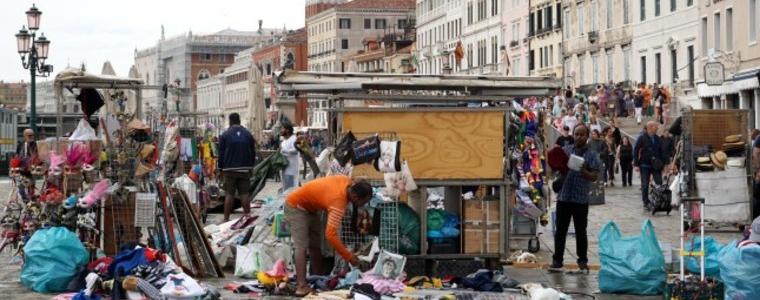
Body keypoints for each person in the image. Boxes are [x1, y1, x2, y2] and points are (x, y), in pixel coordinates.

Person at [285, 176, 373, 296]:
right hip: (295, 206)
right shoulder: (338, 202)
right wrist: (349, 257)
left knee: (315, 245)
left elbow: (357, 179)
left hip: (311, 208)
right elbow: (330, 235)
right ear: (355, 197)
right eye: (363, 202)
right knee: (301, 246)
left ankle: (319, 280)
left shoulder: (347, 182)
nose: (363, 205)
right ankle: (301, 286)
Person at [549, 124, 602, 274]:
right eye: (576, 134)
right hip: (564, 197)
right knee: (560, 230)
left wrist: (583, 169)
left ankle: (583, 261)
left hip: (580, 199)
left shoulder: (591, 154)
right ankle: (557, 260)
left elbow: (594, 177)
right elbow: (555, 169)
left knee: (581, 231)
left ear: (587, 136)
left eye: (582, 134)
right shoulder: (566, 150)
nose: (579, 137)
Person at [218, 113, 257, 222]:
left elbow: (221, 153)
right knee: (244, 194)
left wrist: (220, 168)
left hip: (229, 169)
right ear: (239, 120)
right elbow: (253, 152)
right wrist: (251, 166)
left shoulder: (225, 135)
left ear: (230, 121)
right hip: (245, 168)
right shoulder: (248, 134)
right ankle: (247, 216)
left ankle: (226, 219)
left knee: (229, 194)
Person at [634, 121, 666, 208]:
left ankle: (658, 199)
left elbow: (661, 152)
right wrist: (636, 164)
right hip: (644, 164)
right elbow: (636, 150)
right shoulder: (642, 138)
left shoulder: (657, 138)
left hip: (656, 165)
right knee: (645, 184)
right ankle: (646, 201)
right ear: (650, 127)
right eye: (656, 126)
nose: (657, 128)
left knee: (659, 182)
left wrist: (663, 164)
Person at [280, 124, 300, 192]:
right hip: (284, 169)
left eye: (282, 129)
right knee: (286, 190)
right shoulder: (284, 141)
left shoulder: (294, 139)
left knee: (290, 190)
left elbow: (296, 150)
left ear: (287, 130)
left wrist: (284, 151)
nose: (281, 130)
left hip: (291, 170)